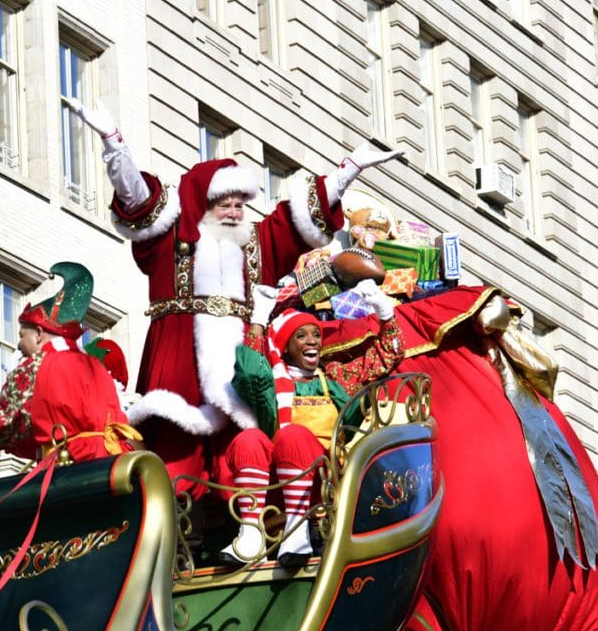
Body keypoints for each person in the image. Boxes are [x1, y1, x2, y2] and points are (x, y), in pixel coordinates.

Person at [68, 99, 405, 501]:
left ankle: (248, 523)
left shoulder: (258, 241)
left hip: (238, 372)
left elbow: (306, 211)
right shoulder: (170, 238)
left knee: (244, 451)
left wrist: (351, 167)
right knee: (176, 460)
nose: (233, 212)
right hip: (178, 370)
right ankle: (177, 523)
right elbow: (135, 197)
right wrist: (113, 141)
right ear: (203, 203)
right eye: (223, 203)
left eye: (239, 204)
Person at [223, 279, 402, 567]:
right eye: (302, 336)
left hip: (326, 479)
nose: (312, 342)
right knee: (249, 438)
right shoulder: (271, 385)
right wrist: (258, 319)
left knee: (293, 434)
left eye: (315, 335)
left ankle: (298, 533)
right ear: (287, 347)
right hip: (277, 483)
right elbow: (248, 373)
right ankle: (251, 533)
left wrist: (384, 310)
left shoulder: (335, 378)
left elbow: (388, 354)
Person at [0, 262, 140, 462]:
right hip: (108, 465)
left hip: (68, 469)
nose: (18, 344)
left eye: (21, 335)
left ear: (38, 334)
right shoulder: (95, 366)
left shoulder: (36, 366)